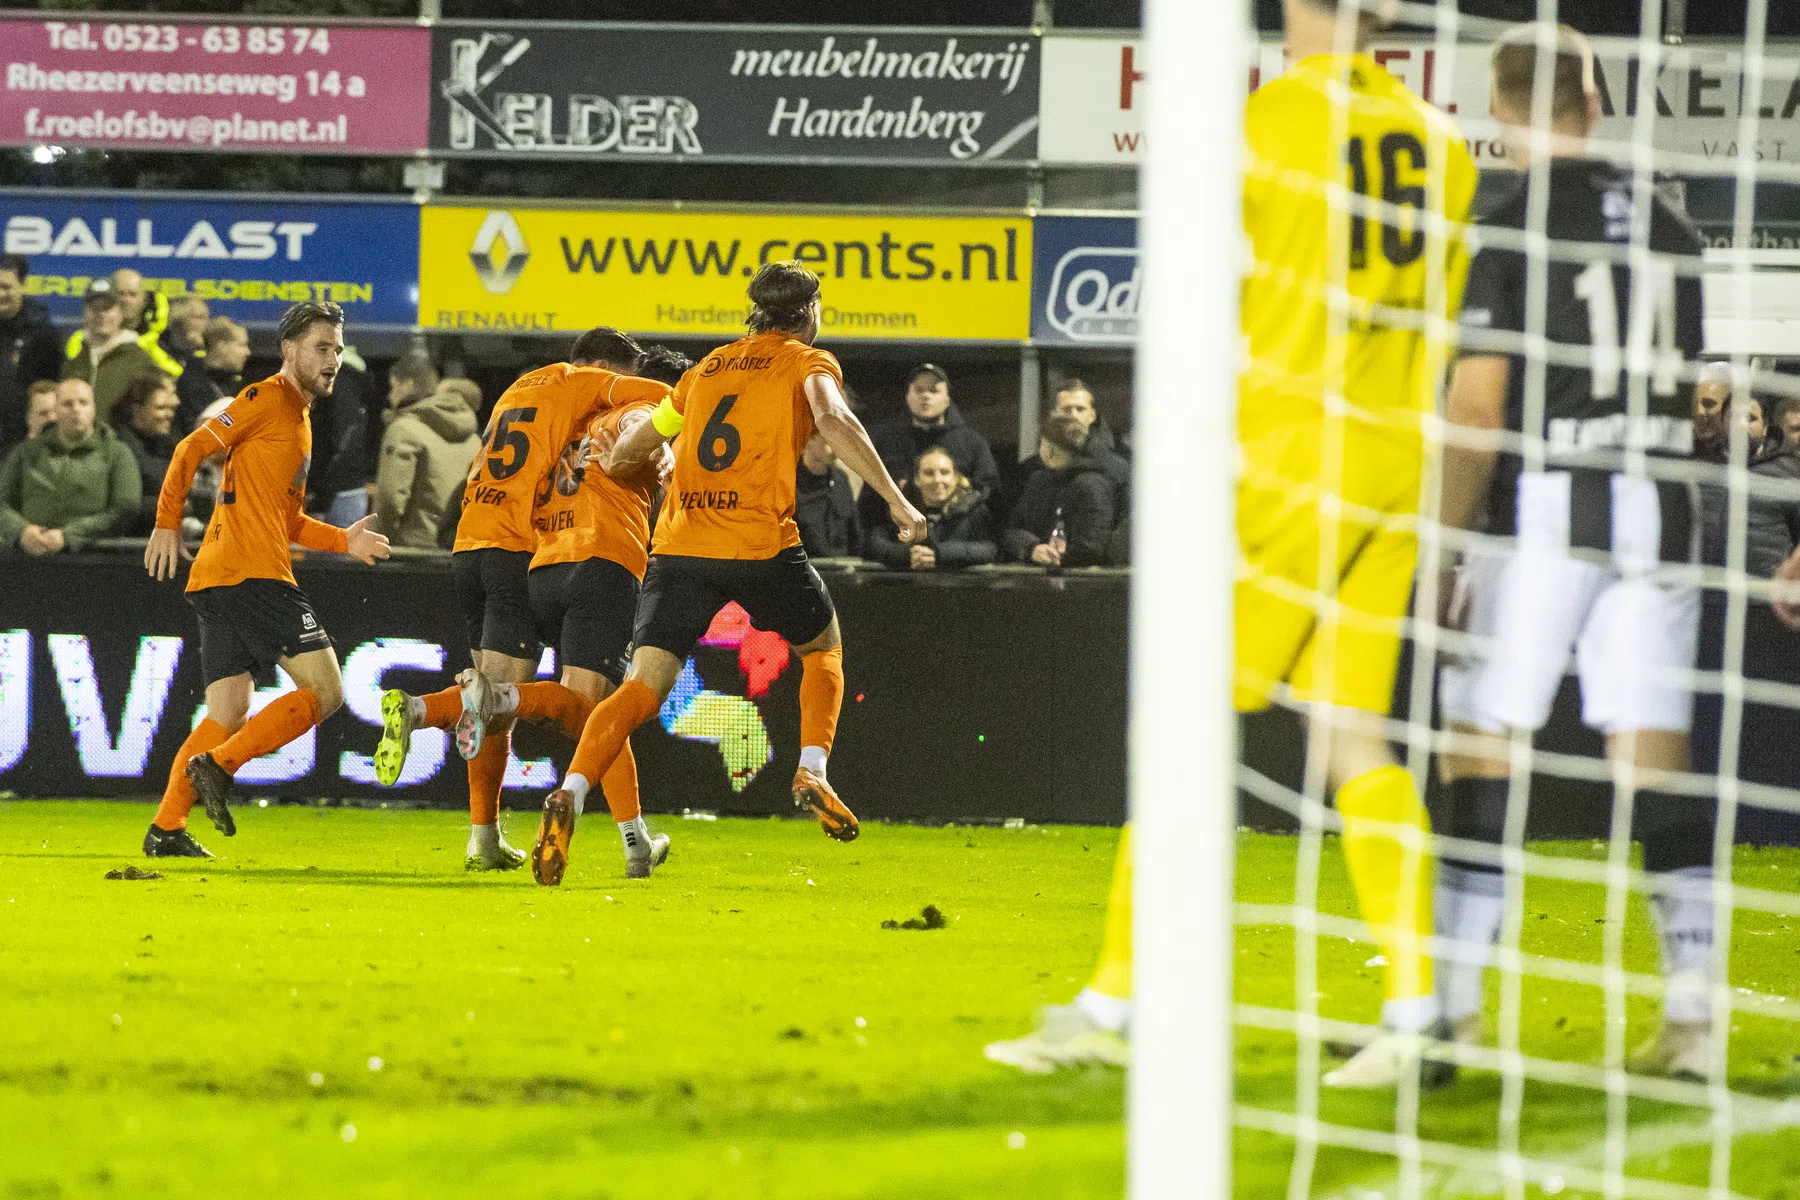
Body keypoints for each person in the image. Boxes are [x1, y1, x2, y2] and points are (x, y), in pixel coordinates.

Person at [988, 0, 1478, 1084]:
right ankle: (1420, 1007)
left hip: (1296, 462)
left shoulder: (1269, 124)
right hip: (1399, 462)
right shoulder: (1444, 149)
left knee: (1182, 735)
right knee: (1353, 737)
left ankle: (1111, 1009)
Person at [1431, 24, 1719, 1082]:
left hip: (1558, 506)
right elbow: (1691, 393)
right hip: (1665, 506)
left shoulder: (1509, 216)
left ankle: (1449, 1010)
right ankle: (1693, 1016)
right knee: (1654, 762)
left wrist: (1444, 540)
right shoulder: (1669, 220)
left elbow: (1479, 402)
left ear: (1501, 116)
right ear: (1595, 104)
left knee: (1479, 741)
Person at [521, 262, 926, 887]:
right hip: (760, 542)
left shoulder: (705, 368)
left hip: (681, 548)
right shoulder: (807, 361)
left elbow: (639, 446)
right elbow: (834, 419)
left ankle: (569, 795)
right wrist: (897, 501)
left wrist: (618, 457)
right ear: (809, 312)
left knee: (639, 688)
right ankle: (812, 769)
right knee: (822, 647)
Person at [383, 340, 683, 880]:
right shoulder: (596, 397)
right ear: (608, 369)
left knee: (549, 712)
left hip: (486, 546)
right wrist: (668, 440)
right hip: (548, 552)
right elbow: (662, 402)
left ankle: (489, 835)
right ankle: (443, 714)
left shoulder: (524, 396)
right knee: (580, 706)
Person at [140, 300, 391, 859]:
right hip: (252, 575)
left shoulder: (298, 420)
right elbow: (191, 446)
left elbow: (289, 519)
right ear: (289, 352)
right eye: (323, 348)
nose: (334, 359)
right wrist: (165, 524)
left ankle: (167, 828)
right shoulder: (266, 398)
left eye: (339, 349)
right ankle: (221, 766)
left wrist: (343, 540)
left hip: (223, 576)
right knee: (326, 693)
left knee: (227, 713)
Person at [0, 377, 141, 555]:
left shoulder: (117, 453)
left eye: (83, 403)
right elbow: (2, 502)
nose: (76, 409)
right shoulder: (26, 452)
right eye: (67, 404)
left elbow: (126, 508)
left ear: (93, 408)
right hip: (29, 558)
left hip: (92, 559)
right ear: (56, 410)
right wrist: (22, 531)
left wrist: (69, 536)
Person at [862, 363, 1000, 534]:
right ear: (908, 397)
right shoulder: (887, 442)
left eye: (934, 391)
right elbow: (869, 499)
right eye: (919, 390)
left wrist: (957, 509)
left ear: (947, 399)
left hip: (957, 540)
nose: (926, 396)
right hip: (897, 538)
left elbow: (989, 492)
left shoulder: (973, 444)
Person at [372, 365, 481, 550]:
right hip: (458, 546)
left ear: (407, 385)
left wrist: (380, 538)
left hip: (412, 550)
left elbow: (391, 498)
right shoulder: (473, 437)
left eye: (393, 387)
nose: (390, 396)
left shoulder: (404, 430)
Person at [1001, 414, 1119, 569]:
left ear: (1048, 449)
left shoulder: (1091, 485)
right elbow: (1011, 531)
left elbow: (1091, 549)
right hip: (1040, 576)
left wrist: (1055, 557)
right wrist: (1031, 548)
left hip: (1081, 583)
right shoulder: (1038, 480)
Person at [866, 446, 995, 571]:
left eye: (945, 472)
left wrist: (940, 553)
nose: (937, 480)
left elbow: (990, 548)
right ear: (917, 479)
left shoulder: (974, 509)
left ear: (955, 478)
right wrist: (907, 554)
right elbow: (874, 544)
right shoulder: (900, 509)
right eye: (929, 473)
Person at [63, 280, 165, 425]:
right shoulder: (74, 359)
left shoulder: (140, 361)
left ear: (120, 313)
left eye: (107, 308)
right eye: (95, 309)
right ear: (85, 313)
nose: (101, 315)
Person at [0, 254, 63, 450]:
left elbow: (52, 390)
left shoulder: (44, 336)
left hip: (27, 445)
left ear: (23, 285)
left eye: (6, 287)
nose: (0, 293)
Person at [111, 372, 181, 534]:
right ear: (137, 409)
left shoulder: (172, 440)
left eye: (172, 409)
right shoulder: (119, 445)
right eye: (161, 408)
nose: (169, 415)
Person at [177, 317, 251, 432]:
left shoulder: (235, 383)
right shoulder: (190, 383)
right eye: (242, 345)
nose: (247, 352)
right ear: (222, 346)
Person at [794, 432, 860, 558]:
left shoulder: (841, 480)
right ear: (809, 439)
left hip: (841, 570)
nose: (836, 448)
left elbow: (854, 535)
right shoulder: (788, 483)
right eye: (830, 440)